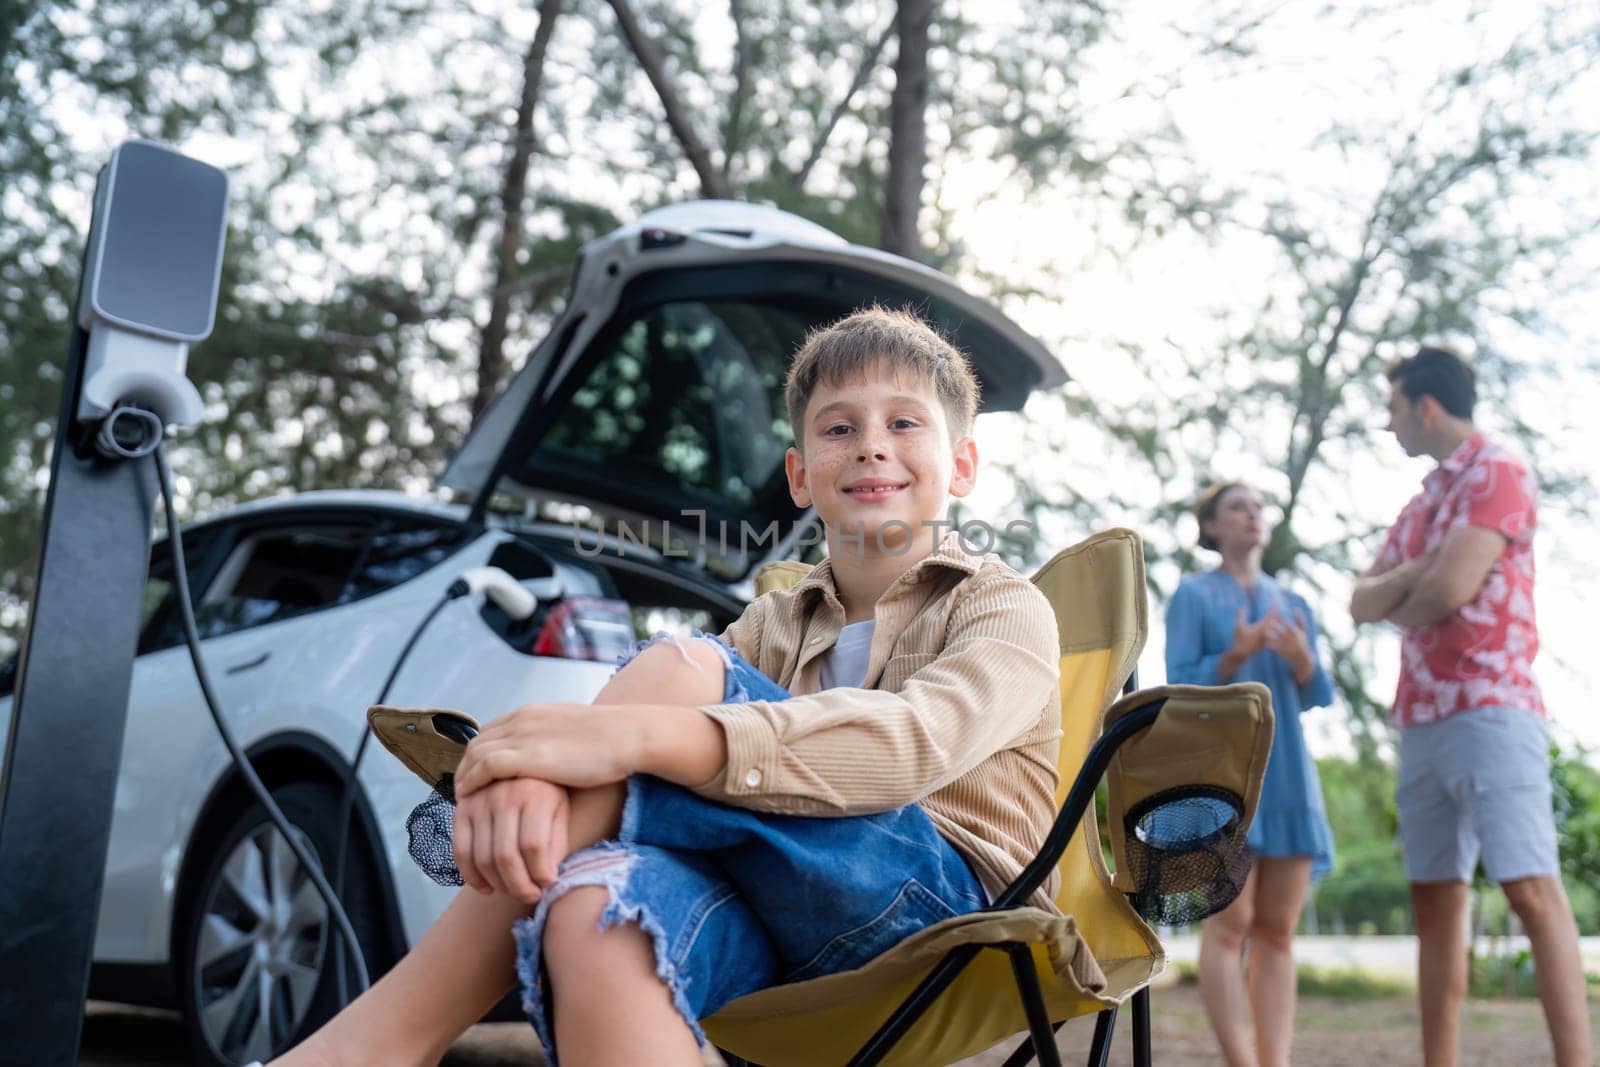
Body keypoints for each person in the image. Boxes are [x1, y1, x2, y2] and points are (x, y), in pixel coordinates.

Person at [270, 307, 1062, 1067]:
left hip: (946, 912)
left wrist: (624, 738)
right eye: (838, 427)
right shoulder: (770, 625)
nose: (870, 446)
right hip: (772, 909)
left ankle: (383, 1039)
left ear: (962, 464)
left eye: (904, 422)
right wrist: (566, 765)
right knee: (594, 905)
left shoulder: (1001, 605)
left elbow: (913, 746)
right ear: (798, 474)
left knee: (682, 670)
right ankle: (391, 1033)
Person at [1348, 346, 1589, 1067]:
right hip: (1421, 720)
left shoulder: (1500, 471)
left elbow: (1449, 591)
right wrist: (1422, 569)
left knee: (1532, 894)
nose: (1387, 425)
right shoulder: (1420, 504)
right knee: (1434, 907)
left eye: (1393, 408)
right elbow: (1362, 601)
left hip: (1493, 711)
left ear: (1426, 406)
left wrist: (1411, 586)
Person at [1165, 482, 1336, 1067]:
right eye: (1238, 507)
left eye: (1258, 508)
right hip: (1223, 777)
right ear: (1212, 526)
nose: (1251, 516)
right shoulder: (1191, 596)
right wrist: (1234, 657)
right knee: (1230, 924)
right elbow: (1180, 685)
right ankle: (1241, 1060)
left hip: (1289, 774)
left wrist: (1302, 660)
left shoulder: (1293, 603)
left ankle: (1275, 1060)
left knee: (1279, 931)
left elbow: (1318, 693)